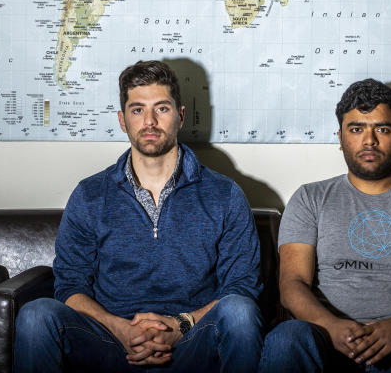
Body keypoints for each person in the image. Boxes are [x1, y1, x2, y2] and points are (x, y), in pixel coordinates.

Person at [14, 61, 263, 373]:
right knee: (37, 315)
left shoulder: (224, 194)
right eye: (137, 110)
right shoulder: (90, 195)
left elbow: (242, 286)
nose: (149, 121)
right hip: (109, 342)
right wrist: (119, 328)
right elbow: (70, 284)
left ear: (180, 115)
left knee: (239, 311)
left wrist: (180, 325)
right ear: (122, 120)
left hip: (190, 342)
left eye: (162, 108)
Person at [259, 80, 391, 373]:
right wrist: (332, 327)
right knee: (286, 338)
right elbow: (292, 285)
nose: (369, 141)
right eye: (356, 129)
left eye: (382, 129)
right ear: (340, 138)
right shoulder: (309, 198)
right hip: (328, 341)